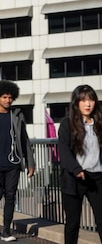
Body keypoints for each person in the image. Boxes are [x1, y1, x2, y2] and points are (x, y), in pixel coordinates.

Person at [0, 79, 35, 241]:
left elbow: (25, 140)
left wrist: (30, 163)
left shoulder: (17, 115)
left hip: (13, 163)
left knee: (11, 196)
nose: (8, 100)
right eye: (4, 97)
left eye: (10, 97)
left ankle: (6, 231)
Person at [57, 85, 102, 244]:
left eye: (90, 99)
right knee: (73, 223)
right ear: (76, 103)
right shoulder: (67, 125)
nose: (88, 104)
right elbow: (63, 151)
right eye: (83, 100)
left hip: (97, 178)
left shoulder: (99, 123)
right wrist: (76, 169)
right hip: (74, 178)